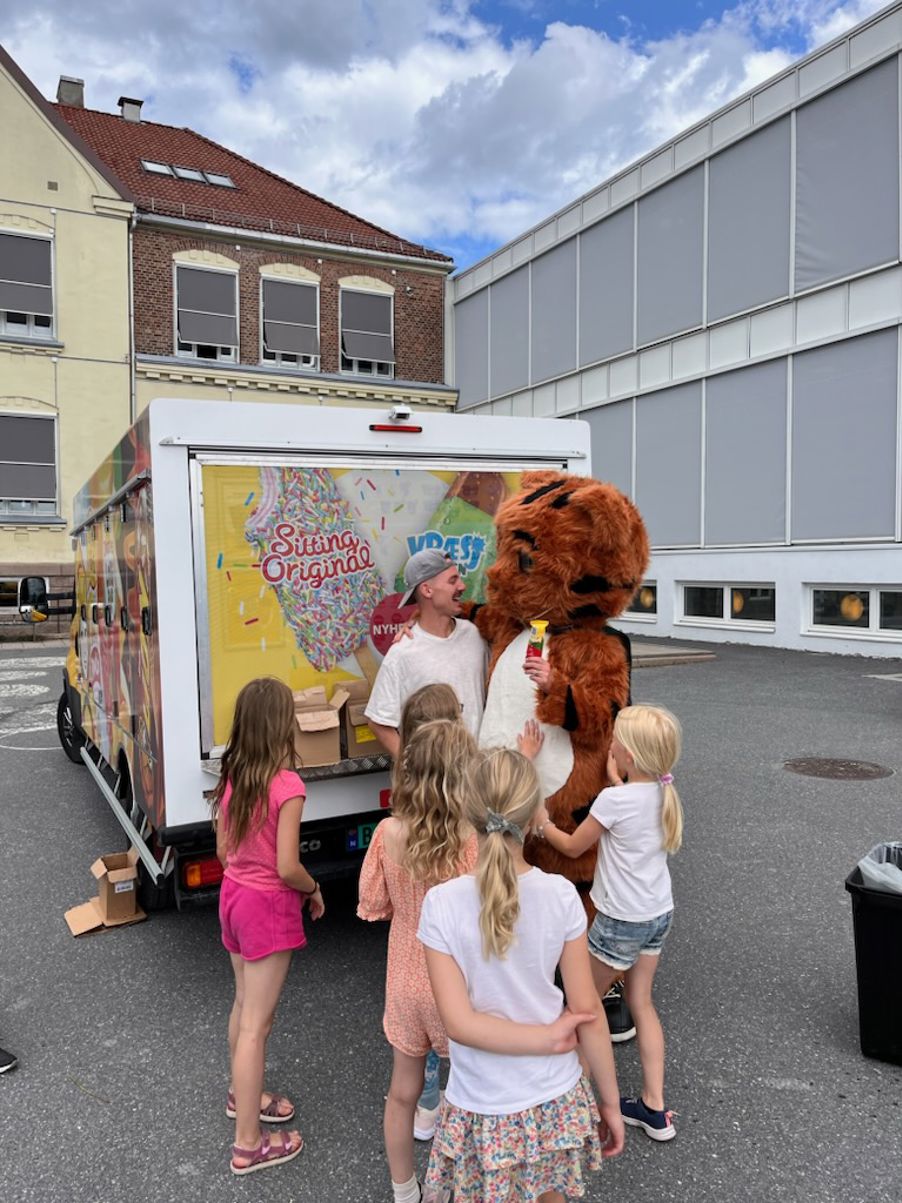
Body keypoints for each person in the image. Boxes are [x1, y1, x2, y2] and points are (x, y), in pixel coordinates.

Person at [418, 747, 625, 1203]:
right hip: (554, 1093)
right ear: (537, 812)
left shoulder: (441, 905)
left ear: (465, 812)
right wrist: (609, 1102)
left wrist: (548, 1038)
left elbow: (460, 1025)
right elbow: (587, 1009)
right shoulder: (561, 895)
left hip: (482, 1103)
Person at [534, 703, 683, 1142]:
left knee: (581, 1008)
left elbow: (575, 846)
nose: (610, 745)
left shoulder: (613, 800)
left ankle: (570, 1106)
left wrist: (542, 824)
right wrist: (619, 784)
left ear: (629, 755)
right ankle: (654, 1107)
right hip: (658, 914)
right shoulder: (661, 792)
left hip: (620, 921)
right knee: (643, 1004)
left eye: (616, 739)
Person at [357, 716, 480, 1203]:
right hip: (459, 984)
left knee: (403, 1092)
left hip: (406, 975)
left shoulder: (388, 833)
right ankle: (461, 1186)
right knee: (468, 1094)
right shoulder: (473, 838)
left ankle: (406, 1189)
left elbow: (373, 904)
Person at [211, 677, 326, 1176]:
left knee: (244, 1006)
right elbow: (286, 866)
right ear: (283, 725)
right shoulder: (287, 786)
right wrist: (314, 888)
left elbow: (221, 850)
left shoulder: (234, 773)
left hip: (233, 896)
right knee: (258, 1024)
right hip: (266, 906)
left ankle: (244, 1096)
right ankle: (249, 1145)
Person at [365, 549, 488, 755]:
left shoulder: (476, 635)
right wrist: (412, 768)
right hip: (432, 783)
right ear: (427, 590)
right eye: (452, 581)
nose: (462, 586)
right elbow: (379, 722)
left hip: (477, 777)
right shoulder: (403, 652)